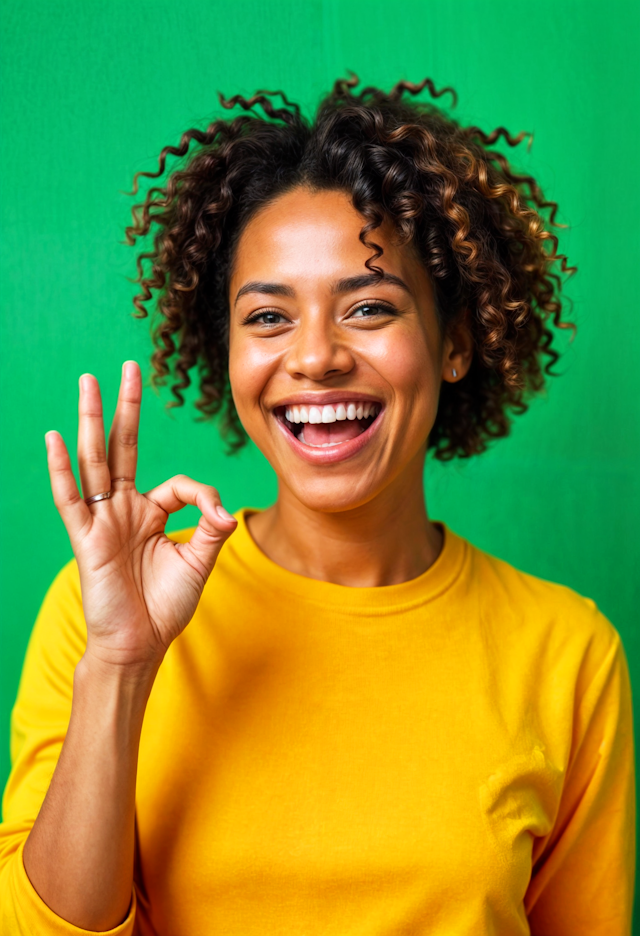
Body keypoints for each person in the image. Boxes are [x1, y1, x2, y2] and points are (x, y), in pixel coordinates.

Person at [0, 77, 635, 936]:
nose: (315, 357)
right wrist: (120, 664)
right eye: (268, 317)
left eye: (369, 307)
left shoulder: (567, 655)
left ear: (454, 342)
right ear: (226, 351)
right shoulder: (100, 616)